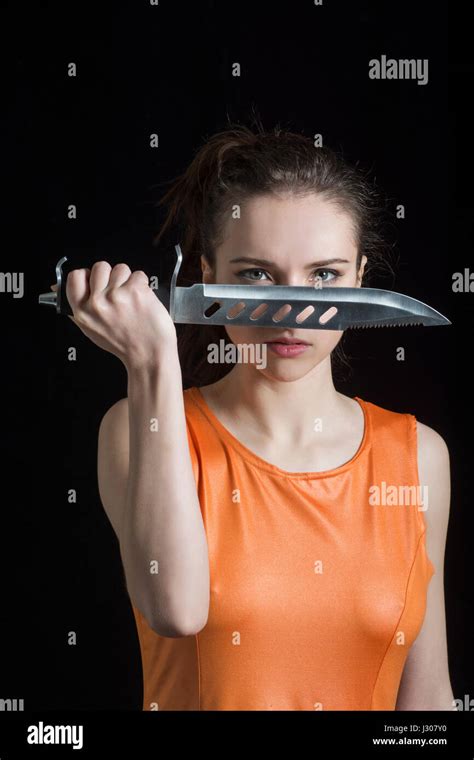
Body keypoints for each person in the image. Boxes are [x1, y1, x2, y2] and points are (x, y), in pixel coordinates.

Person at [63, 122, 454, 710]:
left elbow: (428, 703)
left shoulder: (419, 457)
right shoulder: (139, 427)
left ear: (360, 278)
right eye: (256, 275)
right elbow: (176, 609)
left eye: (324, 276)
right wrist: (150, 362)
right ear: (207, 275)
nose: (293, 311)